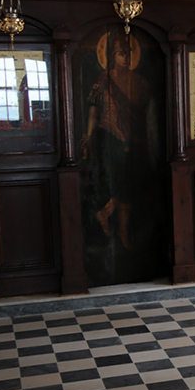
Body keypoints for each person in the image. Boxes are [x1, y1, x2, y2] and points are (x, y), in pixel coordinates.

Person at [82, 32, 152, 251]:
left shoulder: (139, 81)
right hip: (109, 138)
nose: (127, 57)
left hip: (136, 139)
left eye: (129, 53)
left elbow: (147, 113)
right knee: (117, 183)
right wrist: (88, 134)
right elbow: (94, 112)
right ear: (111, 55)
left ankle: (121, 228)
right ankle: (107, 218)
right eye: (122, 53)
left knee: (130, 187)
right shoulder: (102, 80)